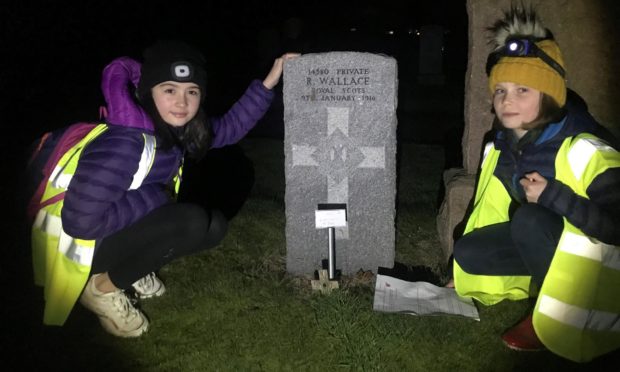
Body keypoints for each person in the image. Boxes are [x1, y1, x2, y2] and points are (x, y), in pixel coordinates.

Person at [30, 40, 298, 337]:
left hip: (109, 231)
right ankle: (100, 288)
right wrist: (156, 197)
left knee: (214, 227)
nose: (182, 103)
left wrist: (271, 79)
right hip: (76, 247)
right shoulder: (125, 142)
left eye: (191, 92)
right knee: (190, 221)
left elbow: (231, 127)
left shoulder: (178, 129)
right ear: (149, 93)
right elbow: (80, 222)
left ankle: (129, 270)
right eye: (169, 90)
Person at [450, 7, 620, 362]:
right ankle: (541, 284)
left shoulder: (586, 146)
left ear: (550, 95)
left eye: (522, 89)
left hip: (604, 276)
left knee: (530, 220)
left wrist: (554, 196)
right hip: (557, 247)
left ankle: (552, 314)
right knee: (468, 253)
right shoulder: (505, 143)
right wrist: (459, 275)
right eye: (500, 90)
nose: (506, 100)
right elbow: (490, 206)